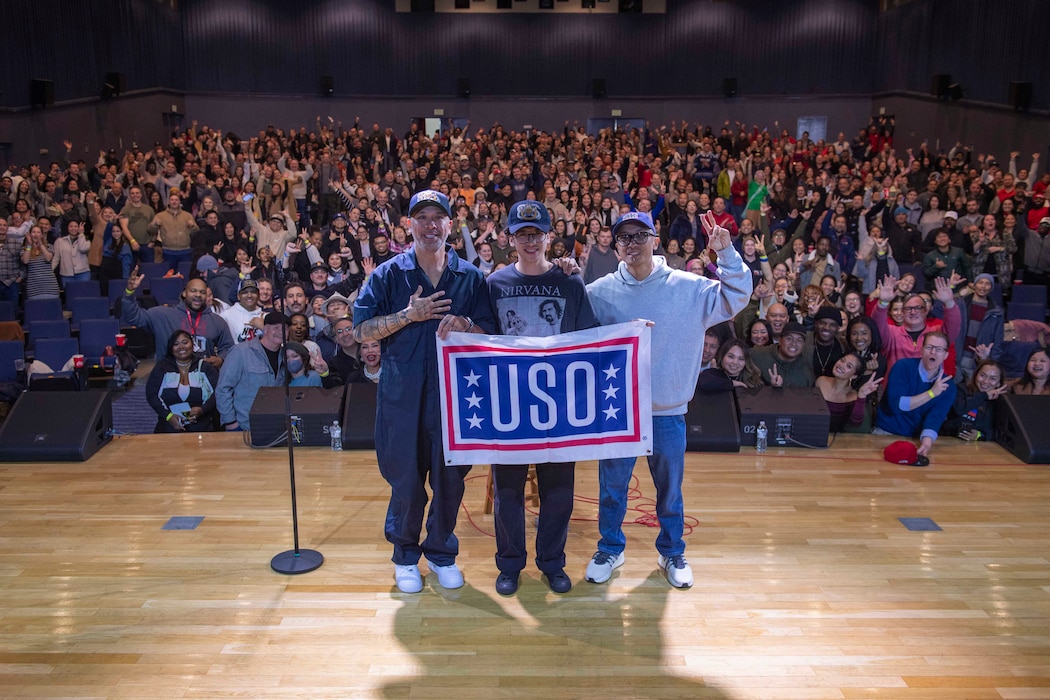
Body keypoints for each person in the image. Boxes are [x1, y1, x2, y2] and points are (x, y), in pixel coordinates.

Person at [583, 210, 752, 589]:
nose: (632, 243)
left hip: (668, 411)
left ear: (655, 240)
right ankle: (610, 547)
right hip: (618, 413)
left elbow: (738, 295)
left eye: (640, 235)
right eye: (624, 237)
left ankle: (672, 551)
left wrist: (727, 254)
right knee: (611, 490)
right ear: (615, 246)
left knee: (669, 492)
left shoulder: (689, 287)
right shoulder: (598, 292)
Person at [352, 190, 496, 594]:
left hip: (457, 395)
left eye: (439, 218)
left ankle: (441, 553)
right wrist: (406, 316)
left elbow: (492, 331)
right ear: (409, 225)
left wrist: (466, 323)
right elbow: (360, 329)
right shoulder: (387, 275)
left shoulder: (470, 276)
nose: (430, 225)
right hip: (403, 394)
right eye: (422, 218)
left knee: (451, 480)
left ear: (450, 225)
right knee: (407, 480)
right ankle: (404, 556)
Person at [485, 200, 599, 596]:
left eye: (537, 234)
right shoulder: (495, 283)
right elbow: (481, 339)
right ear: (509, 239)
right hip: (510, 405)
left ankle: (552, 562)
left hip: (558, 405)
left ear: (549, 237)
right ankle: (510, 565)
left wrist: (633, 333)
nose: (530, 241)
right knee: (508, 492)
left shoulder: (570, 282)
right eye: (522, 234)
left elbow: (590, 337)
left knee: (558, 492)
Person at [875, 331, 957, 460]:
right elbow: (896, 405)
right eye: (929, 347)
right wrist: (931, 393)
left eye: (939, 349)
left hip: (916, 438)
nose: (933, 352)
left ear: (946, 355)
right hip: (886, 432)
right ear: (922, 349)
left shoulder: (948, 386)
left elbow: (936, 417)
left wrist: (926, 443)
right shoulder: (903, 367)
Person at [122, 274, 234, 366]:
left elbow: (228, 347)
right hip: (169, 379)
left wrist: (221, 359)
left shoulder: (217, 321)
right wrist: (129, 292)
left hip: (204, 380)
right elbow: (134, 317)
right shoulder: (163, 315)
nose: (198, 295)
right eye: (193, 291)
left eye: (202, 292)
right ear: (184, 293)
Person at [215, 311, 289, 431]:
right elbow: (223, 388)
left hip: (273, 426)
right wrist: (230, 421)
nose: (281, 332)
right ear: (265, 329)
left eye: (285, 328)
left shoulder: (285, 355)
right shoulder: (241, 352)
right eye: (275, 328)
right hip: (243, 426)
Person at [145, 329, 220, 433]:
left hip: (202, 427)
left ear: (192, 345)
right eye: (176, 344)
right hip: (168, 426)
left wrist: (202, 409)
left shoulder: (205, 367)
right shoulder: (162, 367)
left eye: (185, 342)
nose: (181, 347)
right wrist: (168, 416)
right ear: (171, 348)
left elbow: (218, 392)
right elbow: (152, 395)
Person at [941, 359, 1007, 441]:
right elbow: (958, 409)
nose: (985, 381)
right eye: (982, 375)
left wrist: (980, 435)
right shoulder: (960, 389)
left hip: (980, 448)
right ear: (976, 375)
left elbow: (999, 432)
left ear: (998, 383)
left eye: (992, 379)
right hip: (949, 440)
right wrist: (984, 396)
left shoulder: (1000, 403)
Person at [816, 354, 882, 433]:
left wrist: (861, 395)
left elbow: (855, 424)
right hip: (812, 432)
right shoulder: (820, 381)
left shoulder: (853, 396)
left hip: (836, 440)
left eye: (849, 366)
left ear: (854, 376)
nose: (841, 365)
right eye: (842, 360)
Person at [751, 322, 816, 387]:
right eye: (789, 338)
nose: (794, 343)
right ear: (780, 340)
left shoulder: (807, 370)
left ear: (803, 345)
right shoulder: (759, 354)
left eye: (799, 340)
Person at [696, 339, 763, 392]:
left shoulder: (753, 379)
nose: (735, 362)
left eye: (741, 359)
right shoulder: (713, 374)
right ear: (722, 356)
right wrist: (732, 383)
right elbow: (703, 381)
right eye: (731, 357)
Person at [219, 278, 266, 344]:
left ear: (258, 296)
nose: (249, 295)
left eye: (253, 292)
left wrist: (263, 327)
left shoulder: (266, 316)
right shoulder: (226, 316)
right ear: (238, 296)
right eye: (245, 292)